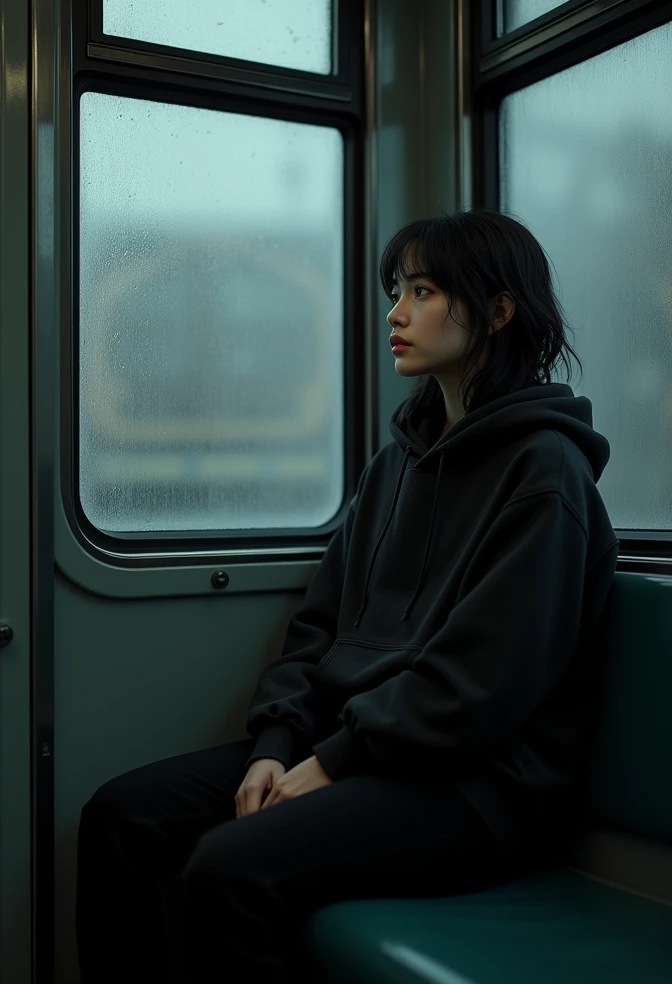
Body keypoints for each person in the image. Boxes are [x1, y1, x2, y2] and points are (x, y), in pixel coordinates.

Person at [75, 209, 619, 984]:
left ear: (498, 310)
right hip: (361, 745)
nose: (395, 313)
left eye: (423, 291)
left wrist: (331, 763)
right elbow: (319, 629)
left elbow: (481, 685)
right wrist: (276, 745)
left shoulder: (546, 475)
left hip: (479, 787)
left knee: (231, 871)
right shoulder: (395, 464)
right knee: (122, 818)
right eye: (398, 290)